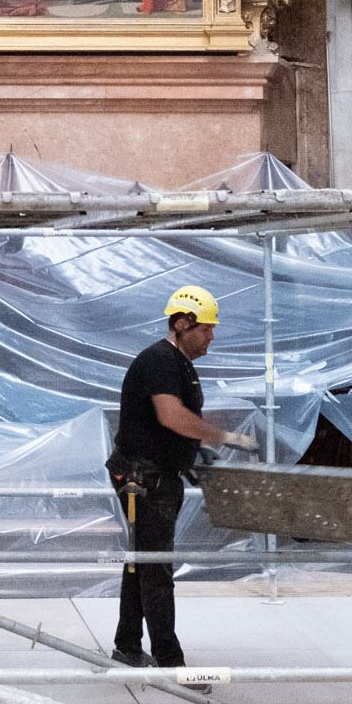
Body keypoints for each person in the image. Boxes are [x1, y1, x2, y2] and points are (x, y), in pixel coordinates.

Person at [108, 285, 254, 670]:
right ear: (182, 324)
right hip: (144, 480)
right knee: (156, 567)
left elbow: (169, 429)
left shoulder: (178, 365)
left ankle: (127, 645)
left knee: (142, 561)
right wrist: (224, 437)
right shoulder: (158, 360)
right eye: (206, 329)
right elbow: (171, 416)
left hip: (156, 475)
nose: (211, 337)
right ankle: (171, 663)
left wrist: (192, 455)